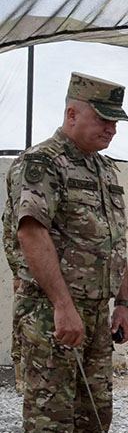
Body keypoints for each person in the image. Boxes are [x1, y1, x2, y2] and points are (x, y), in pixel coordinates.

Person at [5, 72, 128, 433]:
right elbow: (31, 233)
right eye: (103, 119)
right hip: (50, 314)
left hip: (98, 313)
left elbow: (116, 241)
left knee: (95, 412)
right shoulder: (41, 164)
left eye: (115, 122)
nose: (111, 129)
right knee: (50, 417)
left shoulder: (103, 169)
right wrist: (63, 304)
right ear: (71, 113)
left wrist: (123, 303)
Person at [3, 158, 25, 394]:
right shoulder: (23, 167)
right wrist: (18, 271)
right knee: (23, 326)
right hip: (26, 271)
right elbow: (11, 231)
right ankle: (22, 380)